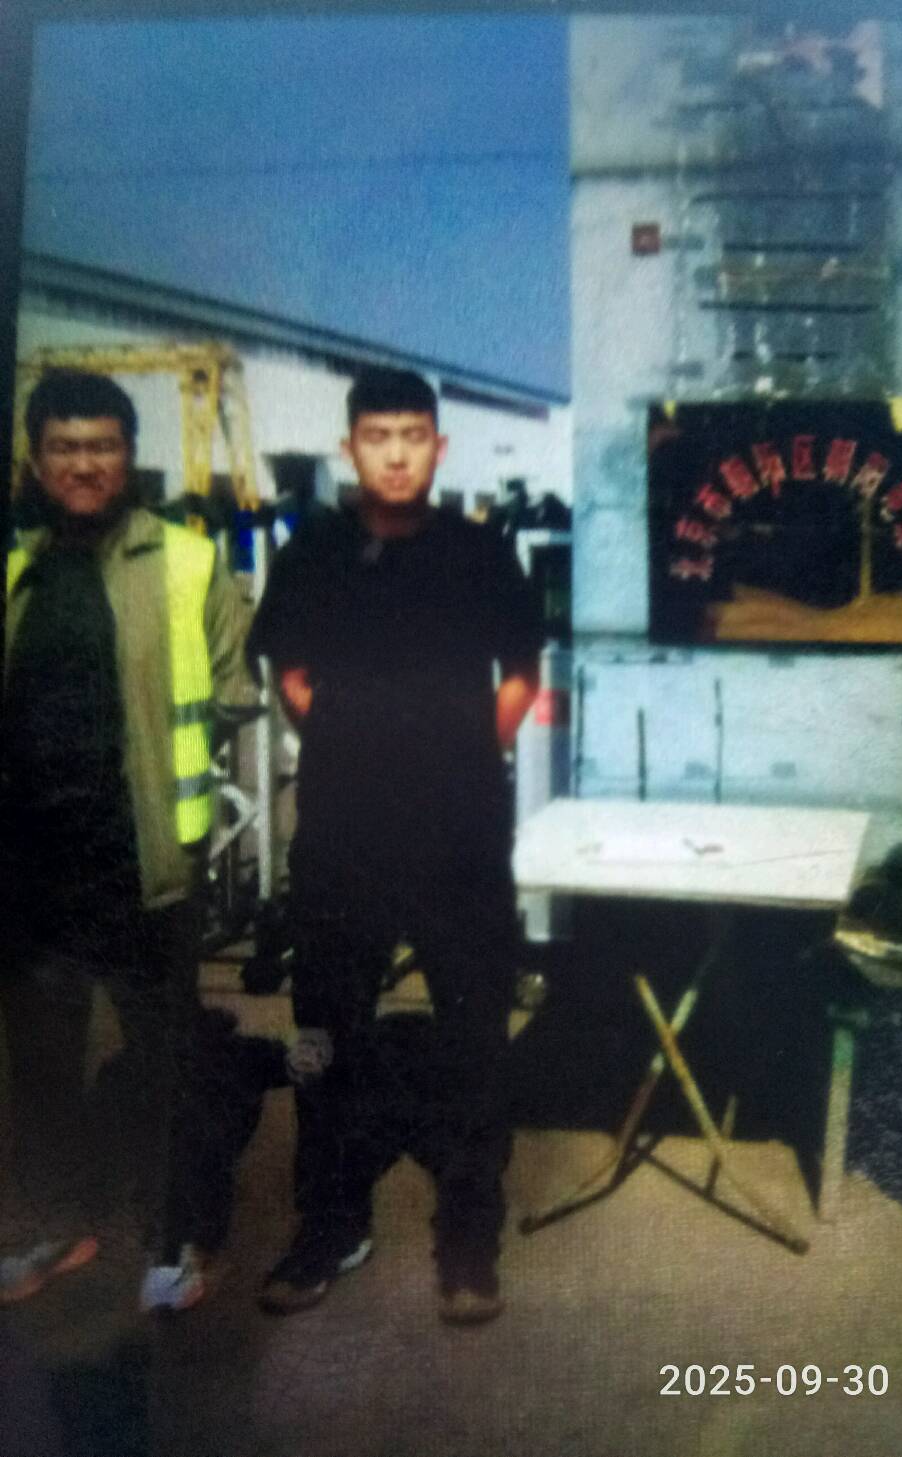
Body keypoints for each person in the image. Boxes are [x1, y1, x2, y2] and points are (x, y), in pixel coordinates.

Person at [247, 365, 542, 1322]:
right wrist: (349, 741)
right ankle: (329, 1223)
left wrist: (464, 752)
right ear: (350, 448)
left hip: (460, 834)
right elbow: (291, 671)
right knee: (324, 1033)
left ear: (439, 447)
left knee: (475, 1034)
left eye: (414, 435)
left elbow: (522, 674)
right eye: (378, 436)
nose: (398, 454)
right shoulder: (313, 551)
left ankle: (470, 1237)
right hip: (344, 832)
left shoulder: (480, 550)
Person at [0, 369, 253, 1313]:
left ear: (130, 456)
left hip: (145, 868)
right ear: (36, 460)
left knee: (164, 1066)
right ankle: (56, 1224)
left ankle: (177, 1238)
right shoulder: (16, 569)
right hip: (33, 869)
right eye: (64, 447)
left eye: (102, 445)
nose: (84, 464)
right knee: (40, 1067)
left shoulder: (188, 562)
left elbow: (233, 691)